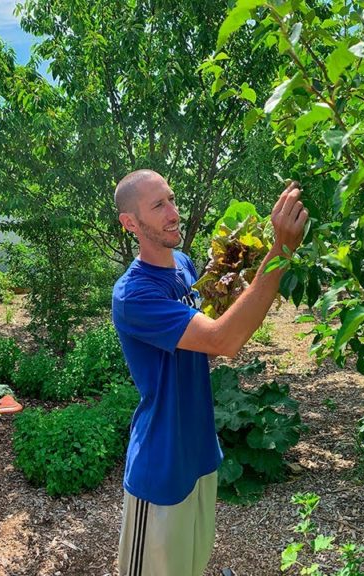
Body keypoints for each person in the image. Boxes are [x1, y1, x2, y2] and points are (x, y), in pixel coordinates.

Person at [111, 169, 307, 576]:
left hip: (199, 451)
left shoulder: (183, 265)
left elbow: (208, 336)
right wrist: (280, 251)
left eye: (171, 199)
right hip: (161, 467)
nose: (173, 212)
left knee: (191, 567)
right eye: (158, 205)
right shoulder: (134, 294)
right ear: (130, 223)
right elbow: (222, 340)